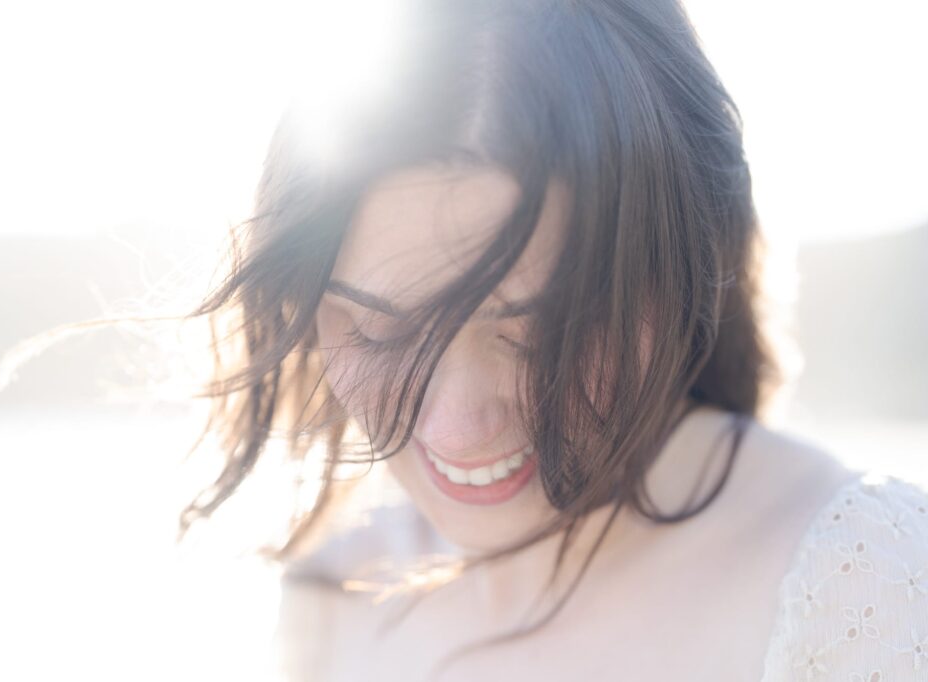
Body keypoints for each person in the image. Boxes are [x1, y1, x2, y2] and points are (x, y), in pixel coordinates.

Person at [178, 1, 928, 680]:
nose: (456, 427)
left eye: (546, 334)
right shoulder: (333, 597)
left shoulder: (865, 582)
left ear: (684, 267)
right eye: (376, 330)